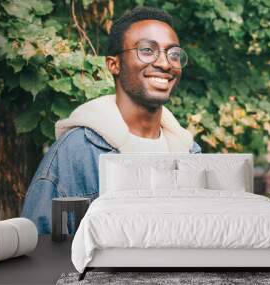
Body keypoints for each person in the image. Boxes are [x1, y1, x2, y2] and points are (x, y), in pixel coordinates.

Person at [21, 6, 201, 234]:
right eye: (147, 50)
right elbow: (42, 251)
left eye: (173, 54)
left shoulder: (190, 154)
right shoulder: (75, 153)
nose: (165, 64)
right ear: (113, 65)